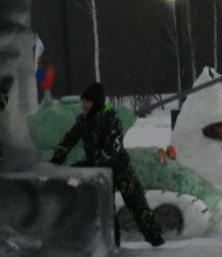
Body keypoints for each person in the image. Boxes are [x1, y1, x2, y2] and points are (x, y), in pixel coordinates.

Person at [51, 82, 164, 247]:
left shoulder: (111, 120)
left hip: (119, 168)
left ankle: (154, 237)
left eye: (87, 101)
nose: (84, 105)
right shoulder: (83, 121)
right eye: (83, 101)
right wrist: (56, 160)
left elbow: (113, 150)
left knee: (137, 203)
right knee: (106, 208)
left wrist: (94, 162)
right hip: (100, 170)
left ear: (96, 102)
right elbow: (68, 140)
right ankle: (113, 243)